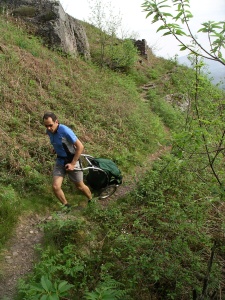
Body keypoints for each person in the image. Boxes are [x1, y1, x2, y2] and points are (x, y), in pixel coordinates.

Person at [43, 112, 92, 208]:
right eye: (46, 126)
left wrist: (73, 164)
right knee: (56, 187)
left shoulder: (65, 131)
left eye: (50, 125)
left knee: (80, 186)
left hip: (72, 160)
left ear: (56, 121)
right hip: (60, 161)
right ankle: (66, 206)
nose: (48, 128)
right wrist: (55, 149)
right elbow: (58, 142)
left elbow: (80, 147)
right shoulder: (49, 131)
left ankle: (91, 200)